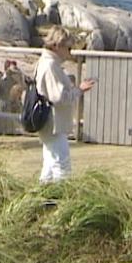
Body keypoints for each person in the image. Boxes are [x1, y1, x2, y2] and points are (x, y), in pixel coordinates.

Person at [35, 26, 94, 182]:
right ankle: (62, 201)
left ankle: (41, 199)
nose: (70, 52)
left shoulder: (48, 62)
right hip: (53, 124)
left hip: (50, 124)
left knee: (49, 166)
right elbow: (59, 97)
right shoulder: (50, 65)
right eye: (68, 47)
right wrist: (78, 91)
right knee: (62, 166)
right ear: (57, 46)